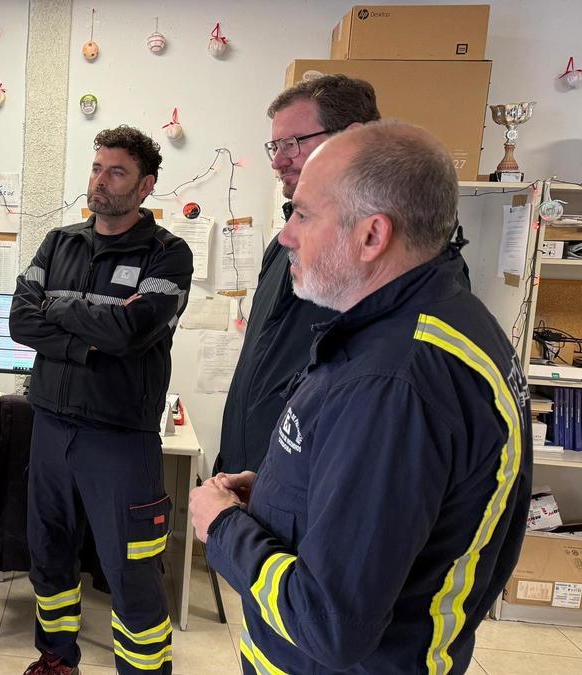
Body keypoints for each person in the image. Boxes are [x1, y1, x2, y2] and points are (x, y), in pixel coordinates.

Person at [191, 121, 532, 674]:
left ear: (372, 236)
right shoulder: (444, 317)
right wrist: (281, 497)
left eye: (303, 215)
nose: (285, 236)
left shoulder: (392, 381)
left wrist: (223, 526)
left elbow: (328, 623)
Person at [10, 126, 194, 675]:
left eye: (116, 172)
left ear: (145, 186)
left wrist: (60, 307)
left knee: (131, 568)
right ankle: (56, 659)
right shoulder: (59, 241)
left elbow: (133, 330)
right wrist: (90, 341)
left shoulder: (169, 253)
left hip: (119, 436)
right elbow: (21, 319)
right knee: (49, 554)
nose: (100, 182)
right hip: (51, 426)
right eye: (97, 168)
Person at [215, 75, 380, 476]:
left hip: (307, 491)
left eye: (292, 144)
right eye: (275, 146)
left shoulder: (380, 255)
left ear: (352, 139)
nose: (277, 160)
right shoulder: (284, 245)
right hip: (251, 476)